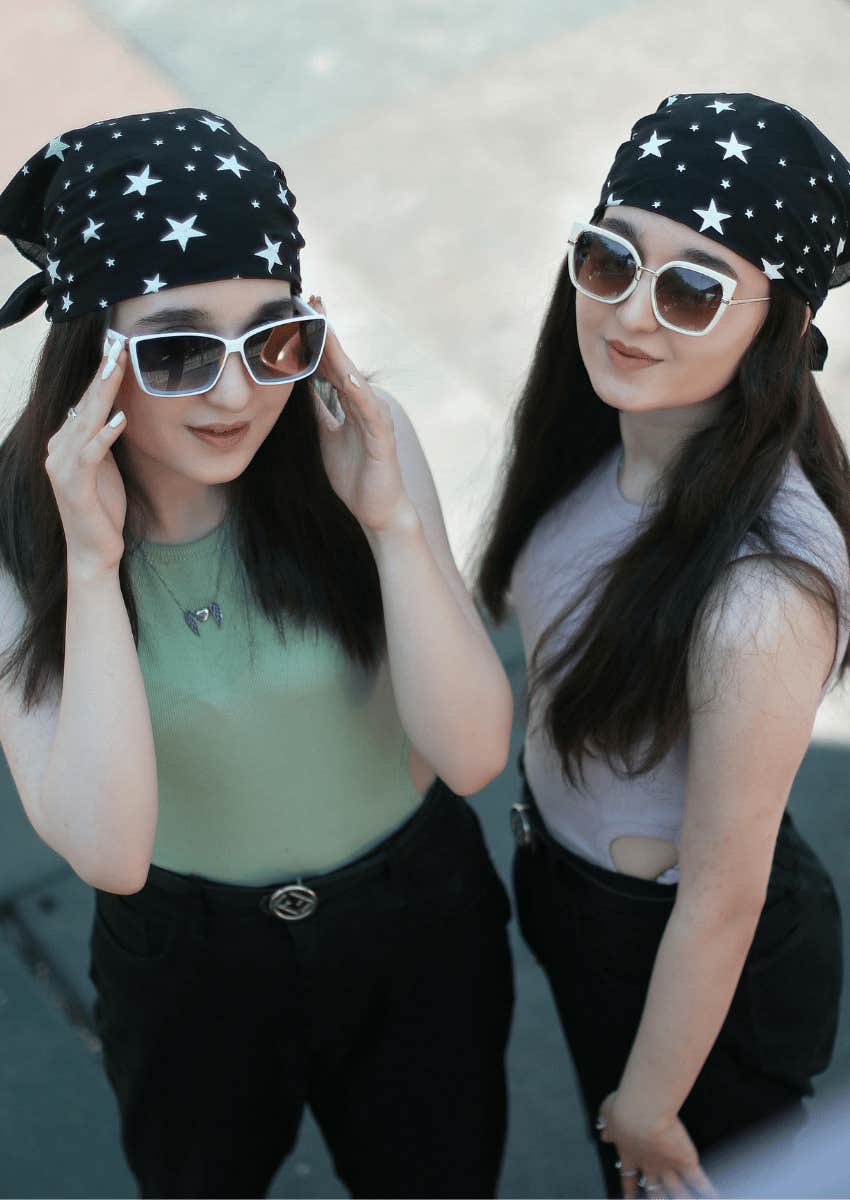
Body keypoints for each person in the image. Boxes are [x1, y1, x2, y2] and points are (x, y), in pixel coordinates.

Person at [0, 108, 514, 1200]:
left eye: (275, 338)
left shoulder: (357, 447)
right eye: (180, 349)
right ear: (93, 352)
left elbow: (470, 755)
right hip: (187, 960)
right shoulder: (19, 538)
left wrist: (390, 524)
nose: (238, 394)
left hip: (415, 923)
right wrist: (92, 571)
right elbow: (108, 852)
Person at [477, 91, 850, 1199]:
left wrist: (648, 1104)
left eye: (693, 289)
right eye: (609, 260)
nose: (631, 315)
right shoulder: (598, 432)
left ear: (775, 328)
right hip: (578, 897)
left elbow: (722, 896)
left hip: (687, 970)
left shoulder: (758, 594)